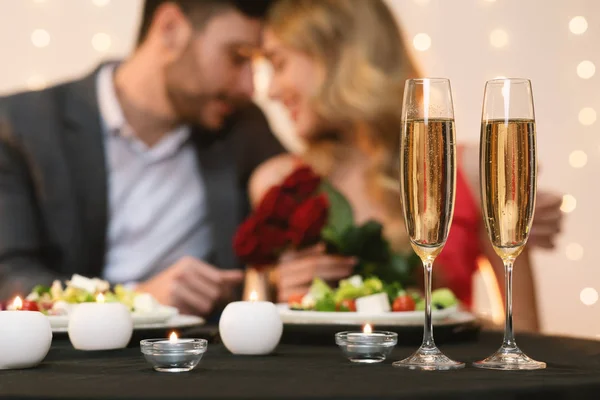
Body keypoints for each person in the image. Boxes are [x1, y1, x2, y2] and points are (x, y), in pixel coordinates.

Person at [250, 0, 563, 331]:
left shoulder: (470, 172)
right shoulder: (279, 184)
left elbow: (524, 335)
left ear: (336, 55)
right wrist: (278, 289)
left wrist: (454, 321)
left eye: (279, 63)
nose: (270, 90)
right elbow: (249, 326)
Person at [0, 0, 284, 317]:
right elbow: (11, 275)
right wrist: (137, 299)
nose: (249, 86)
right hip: (73, 358)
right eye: (238, 57)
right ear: (171, 29)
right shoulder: (19, 125)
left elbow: (304, 200)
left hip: (199, 355)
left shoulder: (241, 127)